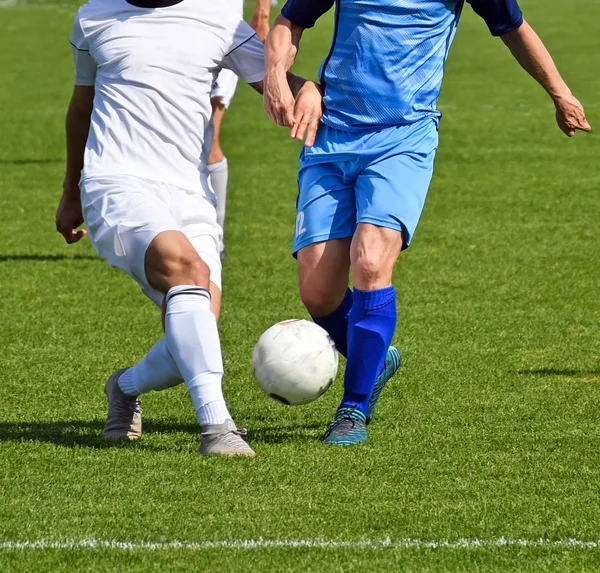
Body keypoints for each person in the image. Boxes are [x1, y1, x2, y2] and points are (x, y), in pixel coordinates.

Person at [263, 0, 591, 446]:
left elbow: (513, 27)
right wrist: (277, 78)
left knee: (371, 262)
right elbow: (291, 21)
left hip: (403, 138)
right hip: (331, 133)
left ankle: (353, 407)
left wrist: (560, 93)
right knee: (318, 293)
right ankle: (376, 358)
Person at [55, 0, 312, 456]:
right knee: (186, 269)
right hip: (115, 183)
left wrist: (308, 88)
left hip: (191, 194)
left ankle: (125, 386)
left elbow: (277, 85)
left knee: (196, 332)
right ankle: (218, 428)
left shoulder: (217, 19)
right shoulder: (93, 16)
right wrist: (71, 192)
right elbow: (81, 108)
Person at [206, 0, 272, 258]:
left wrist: (263, 11)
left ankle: (215, 237)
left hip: (225, 29)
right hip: (174, 29)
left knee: (207, 138)